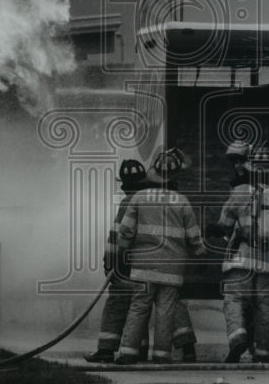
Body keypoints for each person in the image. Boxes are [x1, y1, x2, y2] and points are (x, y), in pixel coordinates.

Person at [114, 148, 207, 365]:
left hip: (143, 265)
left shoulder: (138, 197)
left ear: (154, 171)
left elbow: (126, 231)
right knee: (166, 310)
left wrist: (120, 253)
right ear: (174, 176)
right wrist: (201, 256)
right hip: (172, 268)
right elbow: (194, 235)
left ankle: (127, 353)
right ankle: (162, 356)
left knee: (139, 306)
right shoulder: (182, 201)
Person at [207, 147, 269, 363]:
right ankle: (263, 353)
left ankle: (238, 336)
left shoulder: (240, 191)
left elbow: (224, 225)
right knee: (266, 307)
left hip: (241, 260)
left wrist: (213, 229)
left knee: (234, 299)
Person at [84, 159, 151, 363]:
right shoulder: (151, 201)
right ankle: (139, 349)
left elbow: (116, 236)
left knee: (116, 305)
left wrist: (109, 263)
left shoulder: (128, 202)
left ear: (124, 184)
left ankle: (106, 349)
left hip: (125, 266)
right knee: (138, 309)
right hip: (144, 266)